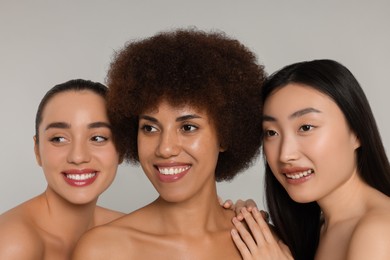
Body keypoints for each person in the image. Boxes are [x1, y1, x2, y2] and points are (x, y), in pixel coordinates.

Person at [72, 28, 269, 259]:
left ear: (226, 135)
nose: (165, 148)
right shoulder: (105, 250)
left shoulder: (262, 242)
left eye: (188, 127)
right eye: (150, 128)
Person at [231, 59, 390, 260]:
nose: (285, 154)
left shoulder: (377, 232)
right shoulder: (321, 226)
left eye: (306, 128)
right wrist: (250, 224)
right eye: (271, 133)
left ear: (357, 132)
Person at [0, 79, 124, 259]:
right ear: (37, 150)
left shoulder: (127, 232)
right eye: (58, 139)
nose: (78, 156)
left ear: (122, 150)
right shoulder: (12, 243)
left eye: (97, 138)